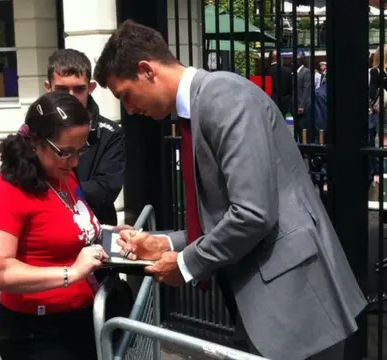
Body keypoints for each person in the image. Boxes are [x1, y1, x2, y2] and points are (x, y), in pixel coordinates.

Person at [93, 20, 367, 360]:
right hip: (268, 305)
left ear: (147, 70)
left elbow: (252, 214)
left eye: (126, 96)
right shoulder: (200, 107)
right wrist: (162, 243)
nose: (130, 110)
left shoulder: (222, 97)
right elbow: (223, 217)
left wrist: (186, 264)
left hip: (296, 305)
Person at [0, 92, 108, 360]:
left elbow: (66, 223)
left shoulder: (61, 172)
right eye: (65, 152)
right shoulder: (10, 187)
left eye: (81, 150)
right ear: (36, 142)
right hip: (38, 333)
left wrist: (107, 233)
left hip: (80, 318)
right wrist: (71, 273)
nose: (75, 162)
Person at [45, 49, 126, 226]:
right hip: (44, 231)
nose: (71, 97)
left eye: (79, 89)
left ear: (90, 88)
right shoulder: (33, 132)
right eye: (62, 89)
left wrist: (50, 188)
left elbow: (104, 191)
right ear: (48, 88)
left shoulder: (110, 133)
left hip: (94, 232)